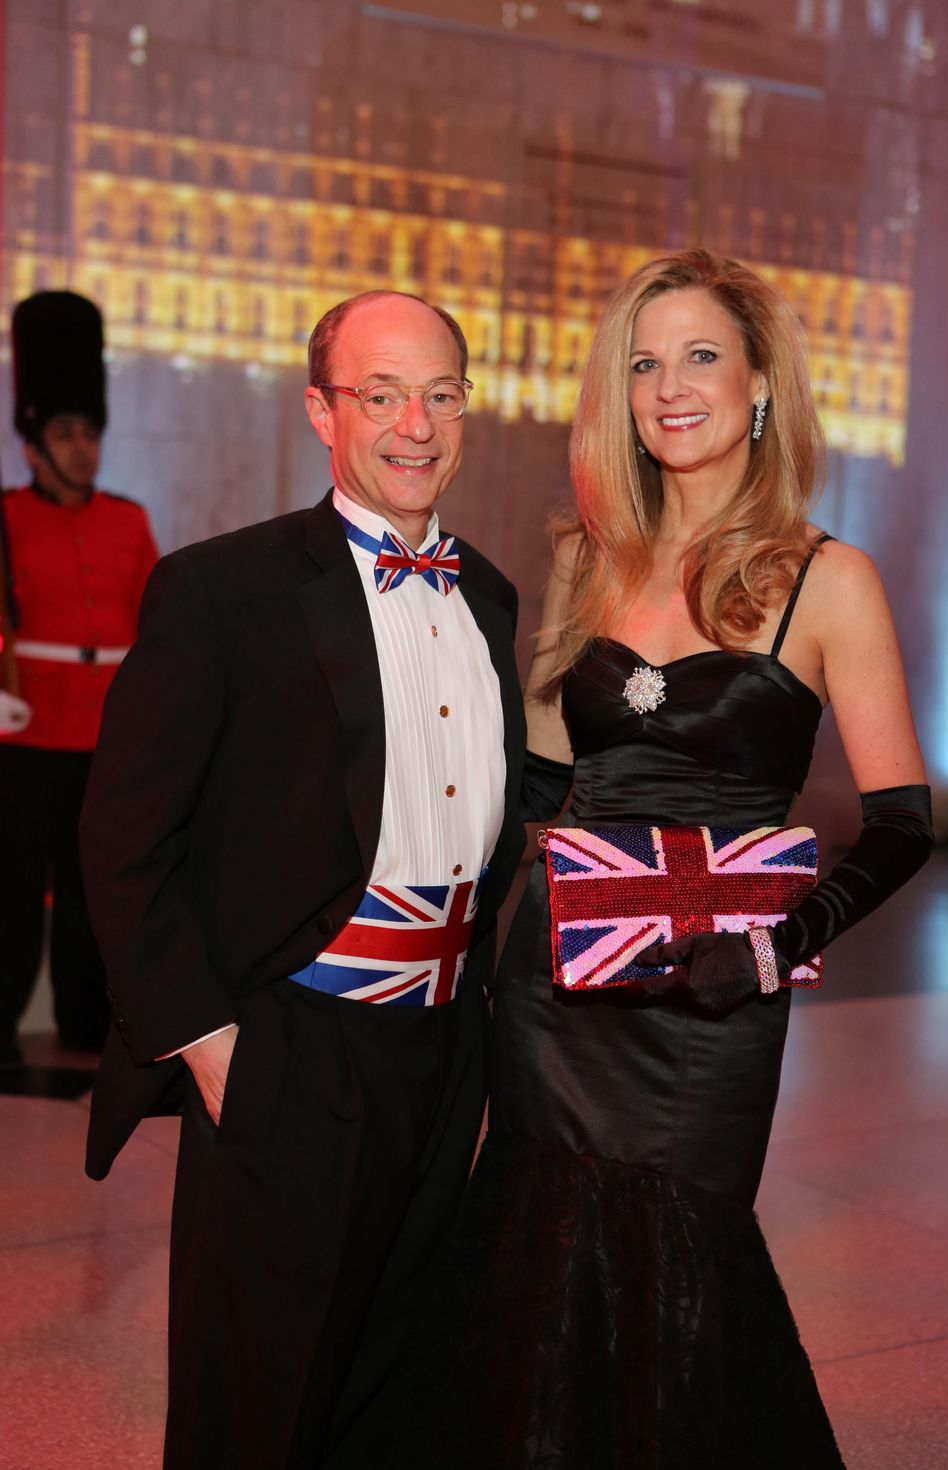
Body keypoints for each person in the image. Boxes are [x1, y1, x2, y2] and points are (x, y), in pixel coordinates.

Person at [399, 249, 933, 1468]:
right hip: (554, 989)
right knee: (535, 1258)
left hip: (710, 1005)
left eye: (700, 355)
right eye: (643, 363)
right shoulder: (590, 555)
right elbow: (537, 784)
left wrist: (770, 947)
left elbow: (900, 818)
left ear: (756, 386)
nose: (668, 386)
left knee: (678, 1265)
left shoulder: (824, 580)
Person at [79, 289, 527, 1470]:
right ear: (321, 411)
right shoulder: (222, 591)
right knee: (258, 1402)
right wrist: (213, 1046)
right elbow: (124, 837)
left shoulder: (488, 595)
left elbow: (500, 813)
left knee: (398, 1382)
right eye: (380, 394)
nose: (413, 423)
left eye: (439, 393)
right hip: (294, 1047)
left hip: (444, 1054)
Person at [0, 291, 158, 1063]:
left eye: (91, 432)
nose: (85, 448)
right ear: (33, 443)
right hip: (23, 737)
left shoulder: (128, 520)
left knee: (92, 894)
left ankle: (83, 1025)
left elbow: (152, 630)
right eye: (67, 433)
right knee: (13, 889)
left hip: (102, 735)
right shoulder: (4, 517)